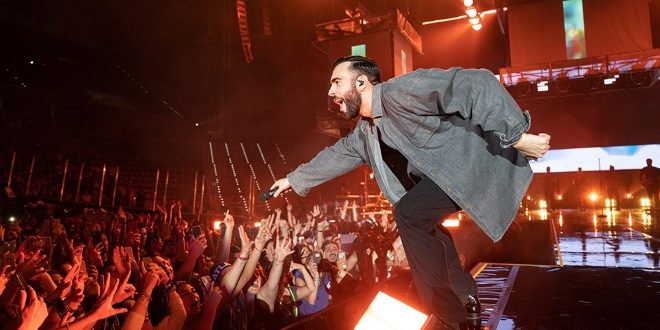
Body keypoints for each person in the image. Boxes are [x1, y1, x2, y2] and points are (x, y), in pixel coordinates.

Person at [269, 56, 550, 329]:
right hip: (440, 181)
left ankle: (444, 315)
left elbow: (475, 82)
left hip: (465, 168)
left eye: (337, 82)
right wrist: (292, 180)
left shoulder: (398, 92)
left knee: (409, 214)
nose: (331, 91)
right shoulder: (364, 132)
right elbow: (336, 155)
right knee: (430, 230)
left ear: (362, 82)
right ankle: (467, 301)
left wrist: (517, 135)